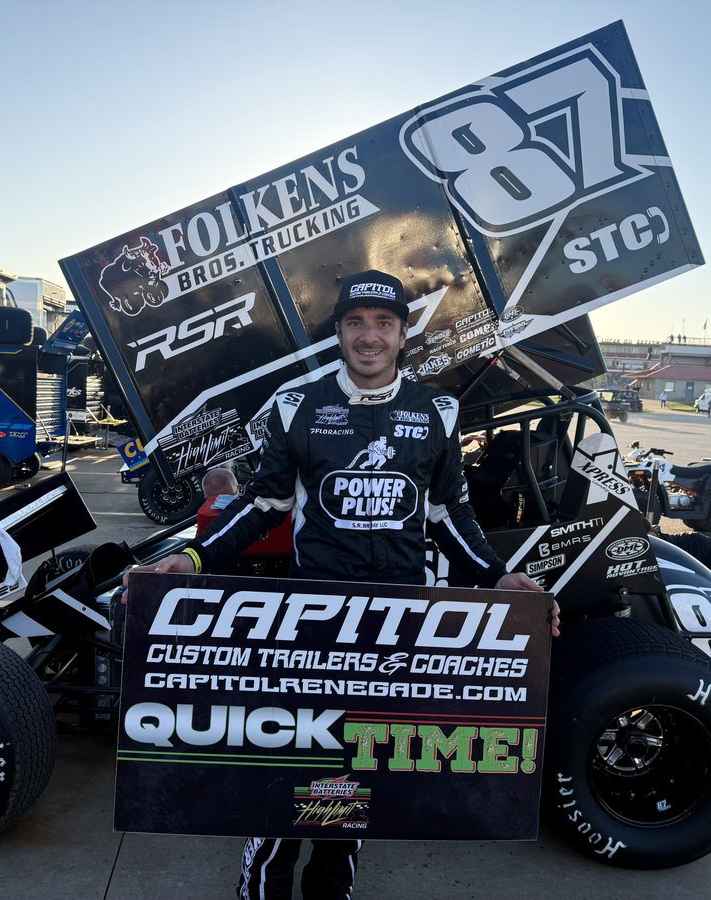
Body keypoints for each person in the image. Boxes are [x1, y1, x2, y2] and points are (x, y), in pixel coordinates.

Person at [125, 269, 558, 900]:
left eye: (384, 323)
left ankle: (331, 891)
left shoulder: (437, 412)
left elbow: (448, 515)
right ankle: (262, 888)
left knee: (359, 771)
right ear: (339, 332)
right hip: (315, 625)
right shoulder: (297, 404)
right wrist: (192, 558)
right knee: (289, 769)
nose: (369, 336)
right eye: (356, 323)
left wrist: (498, 577)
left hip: (394, 629)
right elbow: (265, 504)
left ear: (403, 334)